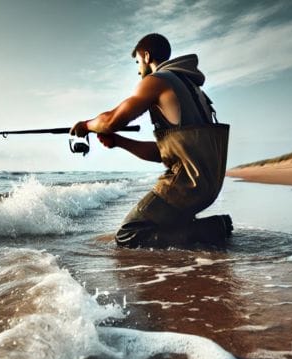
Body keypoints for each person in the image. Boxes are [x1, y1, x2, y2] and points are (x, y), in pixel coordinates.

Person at [70, 33, 232, 248]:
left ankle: (211, 229)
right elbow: (165, 153)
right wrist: (119, 142)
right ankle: (207, 230)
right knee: (165, 227)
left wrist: (86, 125)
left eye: (138, 62)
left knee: (128, 234)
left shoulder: (157, 81)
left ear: (146, 56)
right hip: (208, 185)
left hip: (186, 186)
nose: (139, 70)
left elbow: (110, 121)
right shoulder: (194, 90)